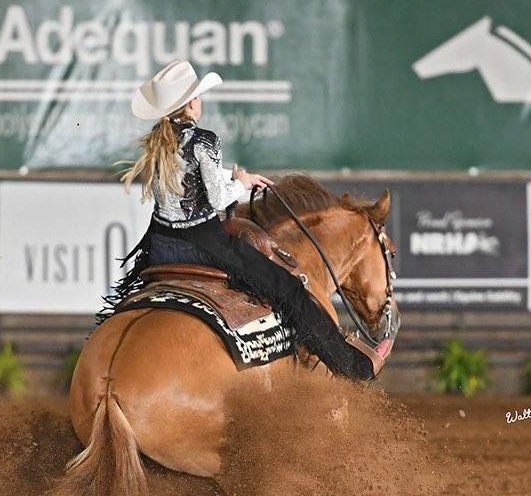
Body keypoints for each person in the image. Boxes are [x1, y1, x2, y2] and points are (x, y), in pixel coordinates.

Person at [107, 60, 375, 381]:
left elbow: (183, 182)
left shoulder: (159, 142)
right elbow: (219, 200)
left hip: (161, 246)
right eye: (198, 97)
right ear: (192, 103)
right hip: (203, 245)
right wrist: (241, 185)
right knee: (288, 289)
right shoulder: (205, 140)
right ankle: (354, 367)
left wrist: (234, 180)